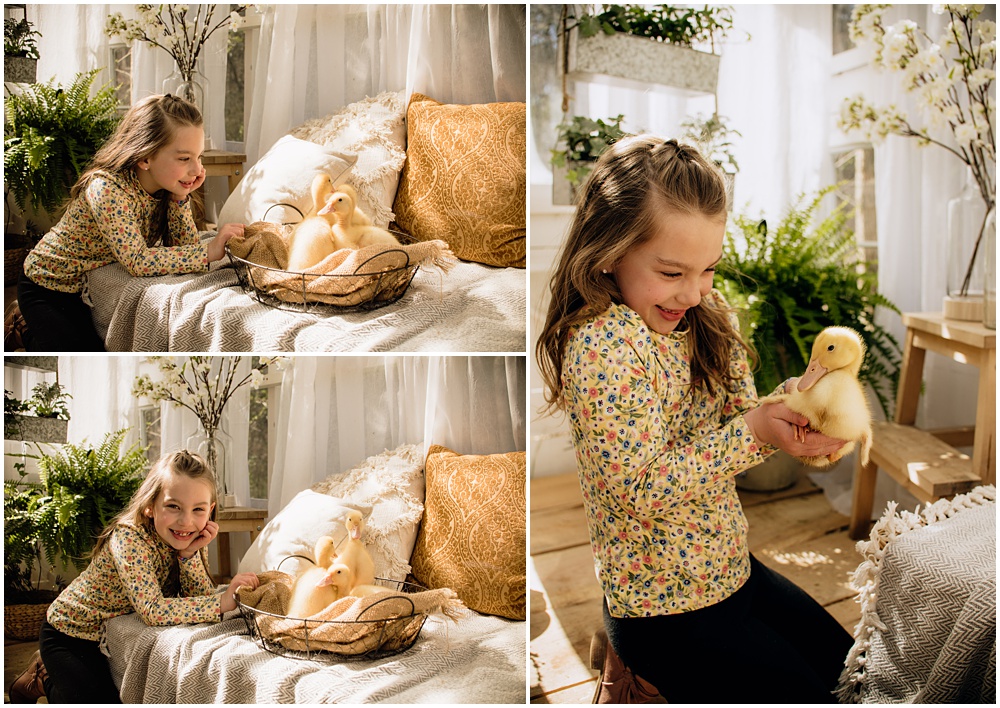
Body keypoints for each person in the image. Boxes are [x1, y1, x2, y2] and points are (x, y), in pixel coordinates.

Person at [535, 136, 855, 703]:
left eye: (708, 268)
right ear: (609, 251)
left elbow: (739, 419)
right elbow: (637, 487)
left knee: (853, 675)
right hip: (663, 614)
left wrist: (792, 412)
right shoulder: (601, 345)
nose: (695, 290)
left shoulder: (706, 313)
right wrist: (755, 433)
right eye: (672, 271)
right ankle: (636, 675)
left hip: (730, 571)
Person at [8, 450, 259, 704]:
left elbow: (198, 599)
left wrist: (189, 555)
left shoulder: (191, 536)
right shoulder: (129, 538)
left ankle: (51, 682)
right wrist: (221, 602)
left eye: (198, 509)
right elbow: (152, 609)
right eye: (173, 506)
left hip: (108, 632)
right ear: (151, 506)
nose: (186, 521)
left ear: (210, 510)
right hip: (71, 632)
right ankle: (42, 680)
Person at [16, 94, 244, 352]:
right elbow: (138, 260)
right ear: (145, 158)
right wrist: (209, 250)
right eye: (184, 159)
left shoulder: (162, 188)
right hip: (47, 285)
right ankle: (22, 329)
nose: (197, 169)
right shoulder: (106, 189)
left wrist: (180, 197)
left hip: (83, 285)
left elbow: (186, 247)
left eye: (199, 157)